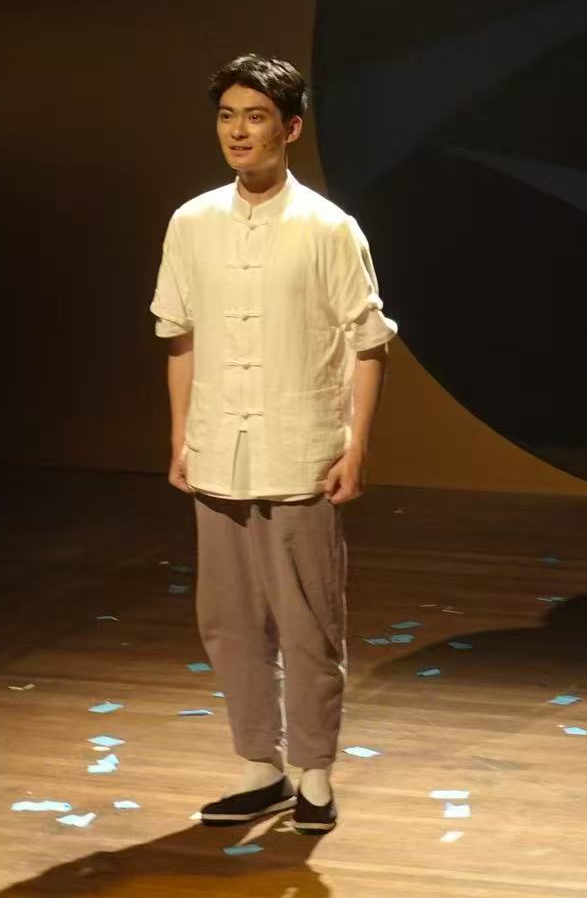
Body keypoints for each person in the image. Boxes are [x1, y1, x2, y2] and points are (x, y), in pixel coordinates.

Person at [150, 53, 396, 835]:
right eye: (227, 116)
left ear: (289, 129)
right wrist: (180, 437)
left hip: (300, 450)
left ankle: (314, 771)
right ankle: (261, 766)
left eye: (255, 117)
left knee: (307, 621)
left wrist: (355, 448)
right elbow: (180, 336)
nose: (238, 132)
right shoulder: (192, 223)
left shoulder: (328, 228)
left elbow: (368, 344)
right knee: (227, 620)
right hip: (218, 448)